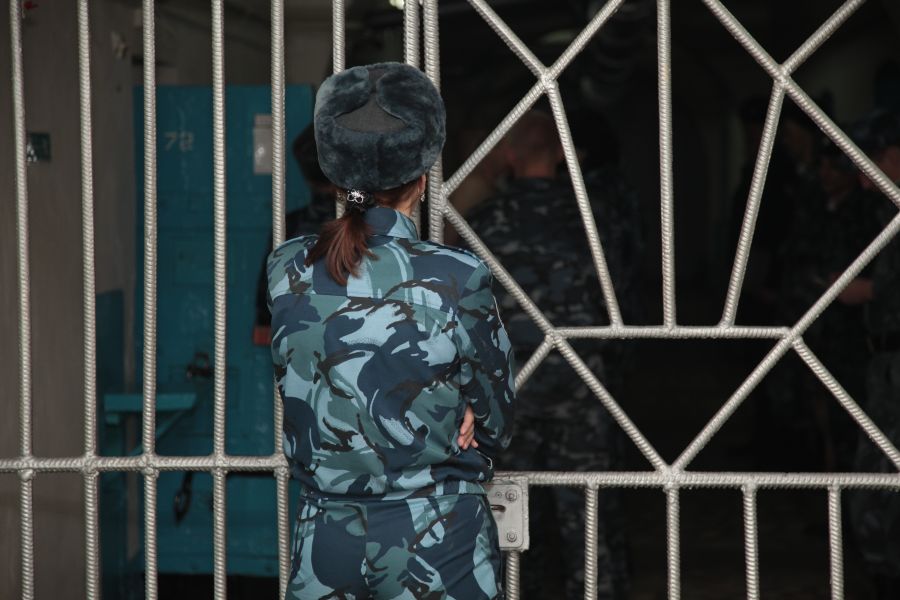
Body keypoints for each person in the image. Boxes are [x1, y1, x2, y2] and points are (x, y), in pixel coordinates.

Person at [266, 62, 515, 599]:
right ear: (422, 179)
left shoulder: (287, 267)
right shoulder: (456, 275)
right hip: (438, 536)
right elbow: (497, 421)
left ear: (336, 181)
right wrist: (464, 409)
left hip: (325, 531)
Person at [466, 109, 631, 600]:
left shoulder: (482, 222)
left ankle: (517, 589)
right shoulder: (596, 219)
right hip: (583, 379)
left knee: (509, 506)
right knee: (589, 512)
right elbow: (623, 292)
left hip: (510, 385)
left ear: (507, 154)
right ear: (562, 153)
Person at [833, 110, 900, 599]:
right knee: (874, 492)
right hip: (884, 366)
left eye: (870, 164)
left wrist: (871, 290)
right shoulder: (884, 216)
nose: (863, 179)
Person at [253, 124, 337, 345]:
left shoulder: (290, 224)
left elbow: (269, 279)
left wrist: (263, 319)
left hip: (301, 330)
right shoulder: (361, 223)